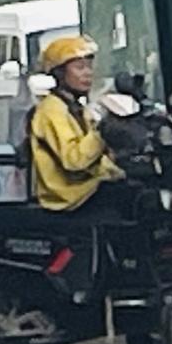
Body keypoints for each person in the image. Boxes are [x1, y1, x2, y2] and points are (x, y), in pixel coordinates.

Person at [30, 35, 128, 214]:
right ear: (59, 73)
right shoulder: (51, 110)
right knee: (141, 202)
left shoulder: (76, 108)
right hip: (68, 196)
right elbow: (74, 160)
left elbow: (94, 161)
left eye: (89, 67)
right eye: (79, 67)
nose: (88, 73)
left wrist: (119, 169)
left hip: (86, 188)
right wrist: (102, 132)